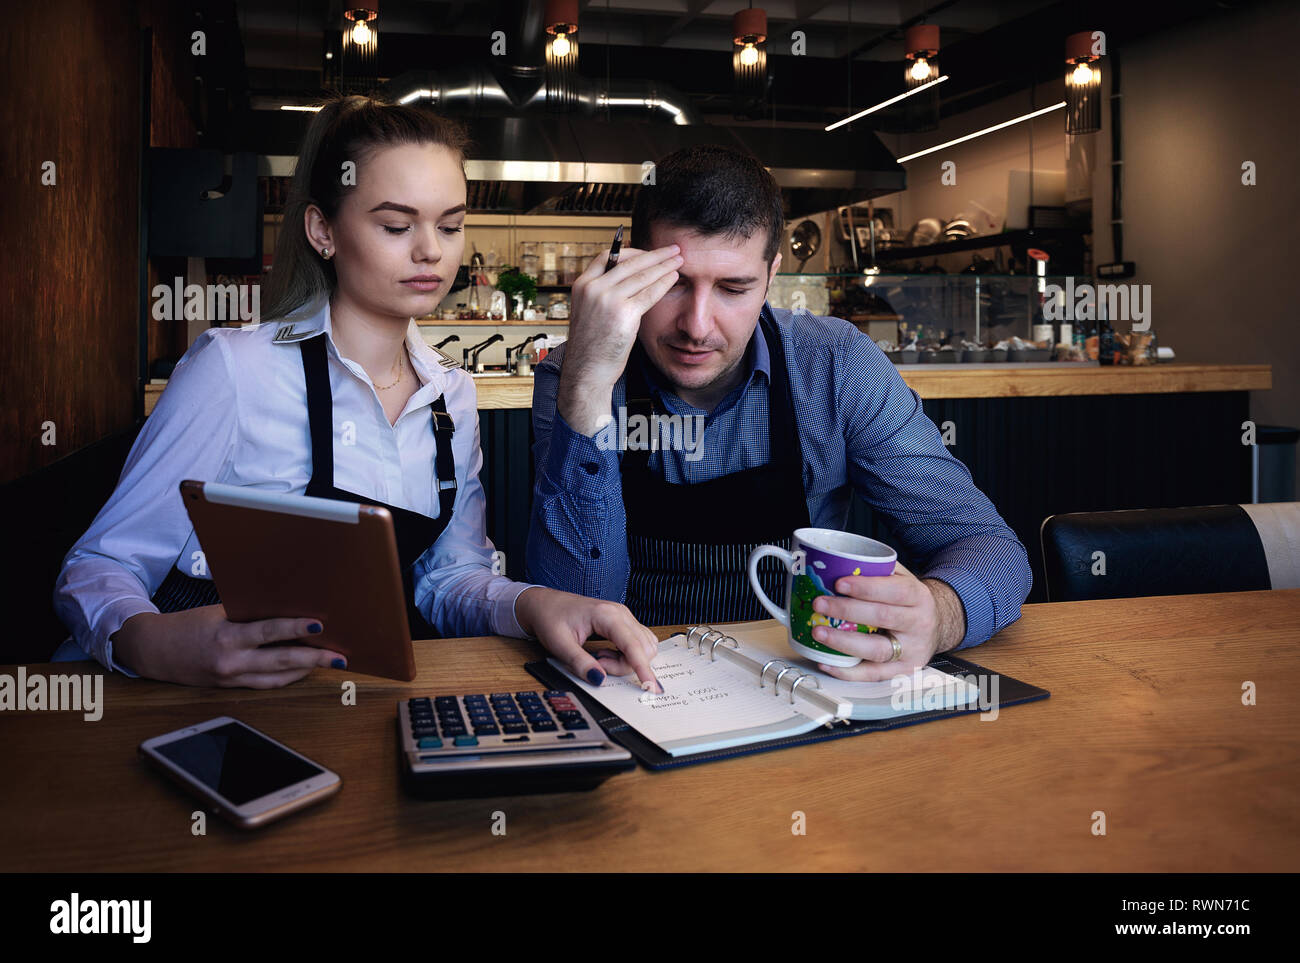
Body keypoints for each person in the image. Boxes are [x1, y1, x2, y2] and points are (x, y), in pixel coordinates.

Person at [53, 95, 659, 692]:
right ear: (322, 230)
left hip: (344, 703)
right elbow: (99, 566)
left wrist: (535, 604)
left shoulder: (453, 396)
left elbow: (450, 578)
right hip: (189, 704)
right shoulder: (235, 370)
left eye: (450, 225)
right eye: (397, 225)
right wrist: (153, 642)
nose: (431, 250)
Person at [526, 145, 1032, 682]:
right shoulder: (574, 374)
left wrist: (940, 614)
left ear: (772, 274)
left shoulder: (835, 366)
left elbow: (991, 548)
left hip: (799, 687)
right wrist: (588, 385)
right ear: (624, 267)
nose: (697, 326)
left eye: (734, 287)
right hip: (636, 688)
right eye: (672, 283)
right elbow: (575, 605)